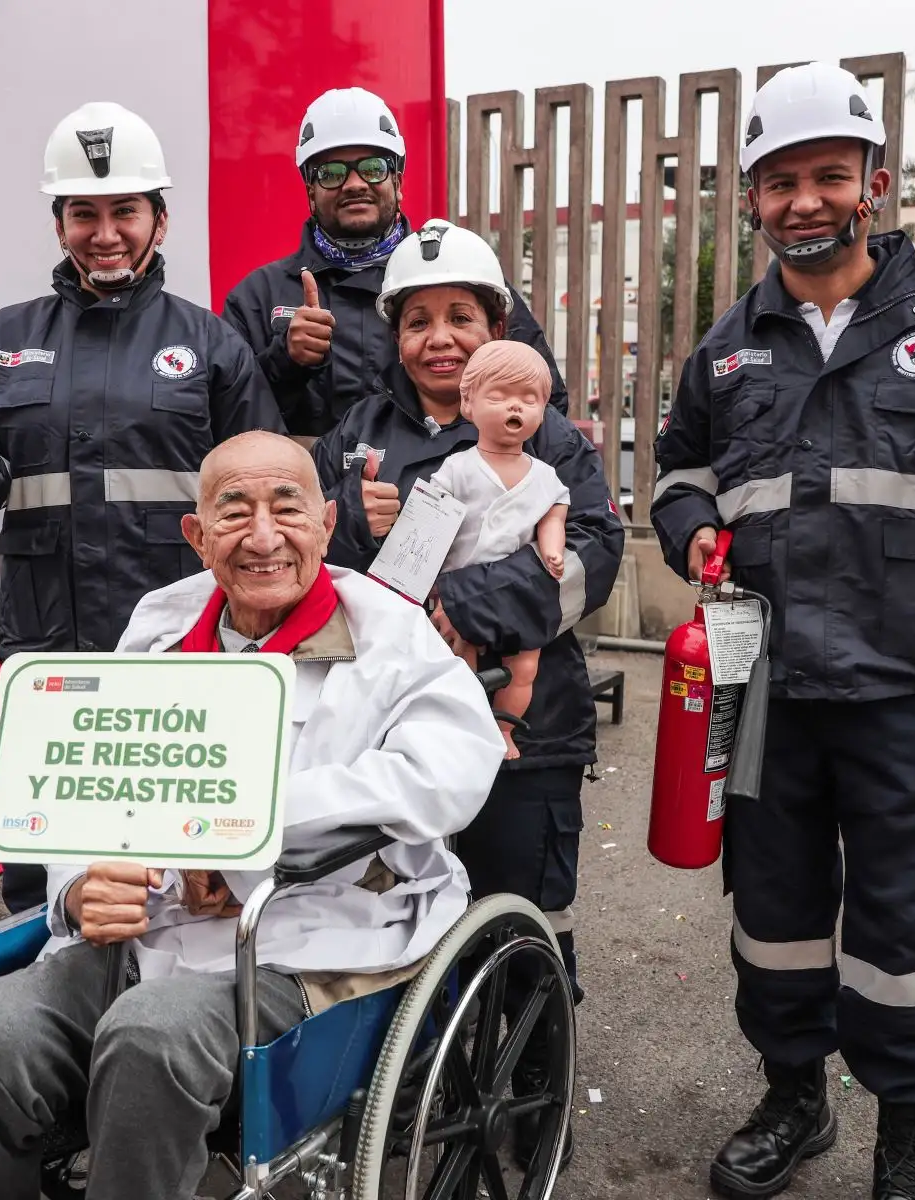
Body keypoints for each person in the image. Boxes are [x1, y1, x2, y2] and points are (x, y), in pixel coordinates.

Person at [649, 62, 915, 1200]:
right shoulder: (728, 345)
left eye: (827, 176)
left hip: (904, 678)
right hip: (761, 677)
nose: (803, 199)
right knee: (776, 909)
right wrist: (691, 525)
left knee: (905, 919)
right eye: (779, 180)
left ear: (872, 185)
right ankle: (795, 1098)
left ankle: (909, 1135)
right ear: (752, 197)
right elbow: (677, 472)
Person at [0, 430, 504, 1200]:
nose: (264, 537)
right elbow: (85, 776)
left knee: (151, 1036)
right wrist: (77, 885)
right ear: (197, 536)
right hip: (145, 927)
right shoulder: (161, 627)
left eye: (287, 508)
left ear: (327, 525)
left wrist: (230, 838)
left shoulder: (392, 637)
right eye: (235, 512)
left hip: (305, 935)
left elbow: (446, 777)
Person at [310, 216, 623, 1164]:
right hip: (391, 734)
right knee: (401, 912)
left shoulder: (555, 434)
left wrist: (470, 604)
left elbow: (594, 557)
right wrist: (362, 536)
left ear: (499, 321)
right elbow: (315, 571)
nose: (439, 339)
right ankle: (422, 1081)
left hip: (529, 727)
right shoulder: (358, 435)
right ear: (393, 333)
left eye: (462, 317)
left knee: (521, 911)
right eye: (417, 321)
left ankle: (536, 1100)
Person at [0, 101, 284, 913]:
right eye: (83, 213)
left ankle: (154, 1025)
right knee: (42, 861)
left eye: (125, 210)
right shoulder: (7, 338)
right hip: (46, 647)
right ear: (59, 225)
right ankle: (41, 1014)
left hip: (178, 643)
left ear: (160, 219)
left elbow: (263, 483)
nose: (105, 231)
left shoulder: (211, 343)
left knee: (172, 868)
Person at [222, 87, 568, 439]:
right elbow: (225, 423)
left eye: (373, 168)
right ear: (310, 189)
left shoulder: (463, 275)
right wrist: (286, 362)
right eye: (331, 172)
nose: (354, 184)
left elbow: (545, 400)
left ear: (398, 180)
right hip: (307, 493)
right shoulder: (257, 298)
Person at [427, 340, 570, 759]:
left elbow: (554, 515)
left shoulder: (544, 476)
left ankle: (504, 730)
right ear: (468, 403)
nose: (516, 408)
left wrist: (552, 550)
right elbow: (430, 521)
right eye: (500, 396)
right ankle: (466, 725)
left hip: (519, 595)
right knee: (459, 658)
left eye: (529, 400)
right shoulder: (457, 468)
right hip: (460, 590)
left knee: (523, 667)